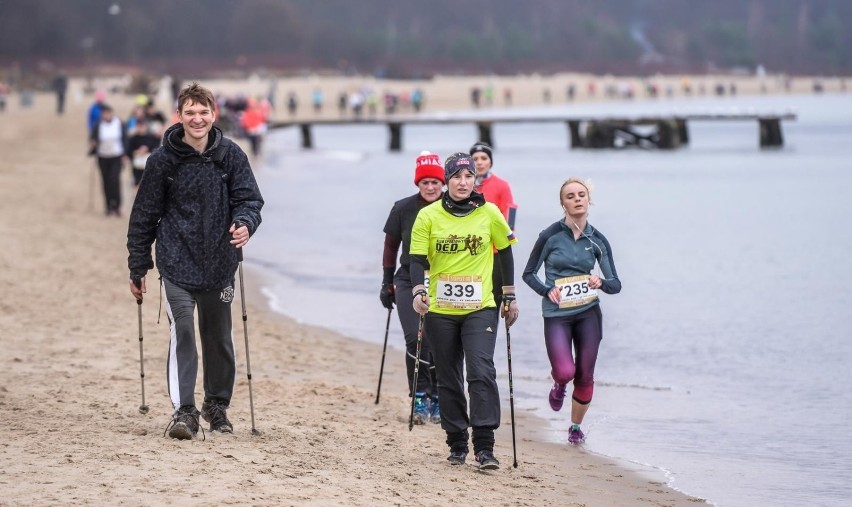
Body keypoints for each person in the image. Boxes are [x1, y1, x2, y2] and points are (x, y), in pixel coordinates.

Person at [127, 82, 264, 440]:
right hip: (176, 261)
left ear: (213, 114)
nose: (197, 118)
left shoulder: (230, 155)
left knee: (218, 336)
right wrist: (137, 266)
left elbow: (250, 200)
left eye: (203, 112)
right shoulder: (162, 161)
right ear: (180, 116)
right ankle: (184, 410)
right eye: (190, 112)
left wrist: (245, 224)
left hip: (220, 263)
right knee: (183, 329)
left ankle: (216, 406)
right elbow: (143, 216)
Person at [409, 152, 519, 470]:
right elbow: (416, 259)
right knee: (448, 376)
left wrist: (509, 296)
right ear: (447, 180)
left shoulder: (490, 213)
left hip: (480, 307)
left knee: (481, 371)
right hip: (440, 309)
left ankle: (485, 447)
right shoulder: (428, 216)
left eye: (468, 176)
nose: (462, 182)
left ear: (475, 179)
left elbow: (505, 253)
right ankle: (457, 443)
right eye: (456, 177)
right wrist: (418, 291)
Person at [522, 178, 621, 445]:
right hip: (557, 314)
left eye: (581, 195)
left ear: (589, 201)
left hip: (588, 313)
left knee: (585, 374)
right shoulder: (549, 236)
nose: (577, 199)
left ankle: (575, 427)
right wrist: (546, 290)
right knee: (566, 371)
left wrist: (600, 282)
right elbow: (528, 274)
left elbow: (616, 284)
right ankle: (559, 384)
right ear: (562, 203)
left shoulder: (598, 240)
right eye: (570, 196)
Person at [380, 151, 445, 425]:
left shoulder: (453, 208)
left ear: (443, 183)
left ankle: (439, 396)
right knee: (414, 338)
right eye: (425, 182)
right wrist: (386, 282)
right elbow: (391, 246)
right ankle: (419, 395)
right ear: (417, 183)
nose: (431, 188)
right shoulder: (403, 208)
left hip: (443, 279)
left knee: (440, 343)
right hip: (407, 278)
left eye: (435, 182)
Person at [469, 142, 517, 308]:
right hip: (470, 251)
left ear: (490, 162)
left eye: (484, 158)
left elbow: (510, 217)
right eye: (475, 159)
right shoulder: (463, 186)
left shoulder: (502, 185)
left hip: (495, 253)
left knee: (494, 301)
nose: (480, 162)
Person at [89, 104, 127, 216]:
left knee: (115, 180)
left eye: (107, 113)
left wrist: (125, 154)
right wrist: (93, 144)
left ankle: (117, 205)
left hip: (116, 155)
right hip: (103, 156)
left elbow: (125, 139)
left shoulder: (119, 123)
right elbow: (93, 138)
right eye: (103, 113)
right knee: (105, 181)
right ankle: (108, 206)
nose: (105, 115)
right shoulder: (98, 125)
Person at [126, 117, 160, 187]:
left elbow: (157, 149)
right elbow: (128, 150)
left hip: (149, 165)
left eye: (143, 126)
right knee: (137, 184)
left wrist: (147, 149)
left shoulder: (152, 137)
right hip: (136, 166)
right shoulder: (133, 138)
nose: (141, 128)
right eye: (139, 126)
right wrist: (136, 152)